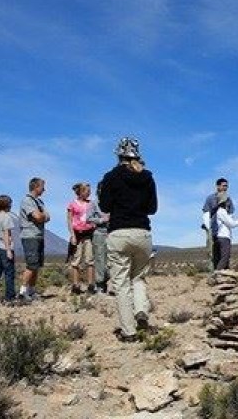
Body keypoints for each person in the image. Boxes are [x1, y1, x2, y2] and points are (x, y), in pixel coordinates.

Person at [99, 137, 158, 343]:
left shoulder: (111, 177)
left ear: (118, 155)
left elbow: (105, 207)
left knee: (121, 284)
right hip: (143, 233)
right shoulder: (147, 177)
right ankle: (141, 310)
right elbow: (152, 208)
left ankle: (129, 331)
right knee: (139, 278)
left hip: (119, 233)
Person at [19, 177, 51, 302]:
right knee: (31, 264)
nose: (44, 189)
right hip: (30, 235)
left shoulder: (39, 202)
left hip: (38, 235)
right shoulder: (27, 201)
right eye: (43, 187)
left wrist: (43, 216)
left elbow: (47, 216)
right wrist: (43, 216)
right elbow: (38, 216)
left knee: (36, 265)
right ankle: (22, 292)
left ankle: (31, 291)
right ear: (36, 187)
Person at [67, 182, 96, 295]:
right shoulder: (72, 204)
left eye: (89, 191)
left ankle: (91, 285)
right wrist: (72, 235)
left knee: (90, 260)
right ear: (80, 192)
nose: (88, 193)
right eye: (86, 191)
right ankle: (76, 285)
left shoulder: (91, 204)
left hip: (89, 234)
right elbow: (69, 220)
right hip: (77, 234)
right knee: (76, 260)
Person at [201, 178, 233, 271]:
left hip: (224, 229)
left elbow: (231, 212)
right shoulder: (210, 198)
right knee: (214, 253)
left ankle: (224, 274)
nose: (225, 188)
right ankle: (215, 274)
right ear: (218, 186)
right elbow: (206, 212)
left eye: (226, 186)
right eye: (224, 185)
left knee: (225, 254)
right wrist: (207, 225)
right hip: (213, 229)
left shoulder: (228, 199)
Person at [213, 191, 238, 270]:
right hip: (224, 237)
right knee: (225, 258)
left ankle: (222, 276)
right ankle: (216, 275)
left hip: (222, 237)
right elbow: (231, 223)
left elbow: (230, 220)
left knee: (225, 258)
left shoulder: (221, 212)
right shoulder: (222, 211)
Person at [87, 182, 110, 294]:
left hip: (112, 233)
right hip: (99, 233)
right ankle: (100, 285)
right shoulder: (94, 204)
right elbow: (88, 218)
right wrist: (101, 220)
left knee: (112, 260)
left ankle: (108, 281)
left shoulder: (112, 202)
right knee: (100, 260)